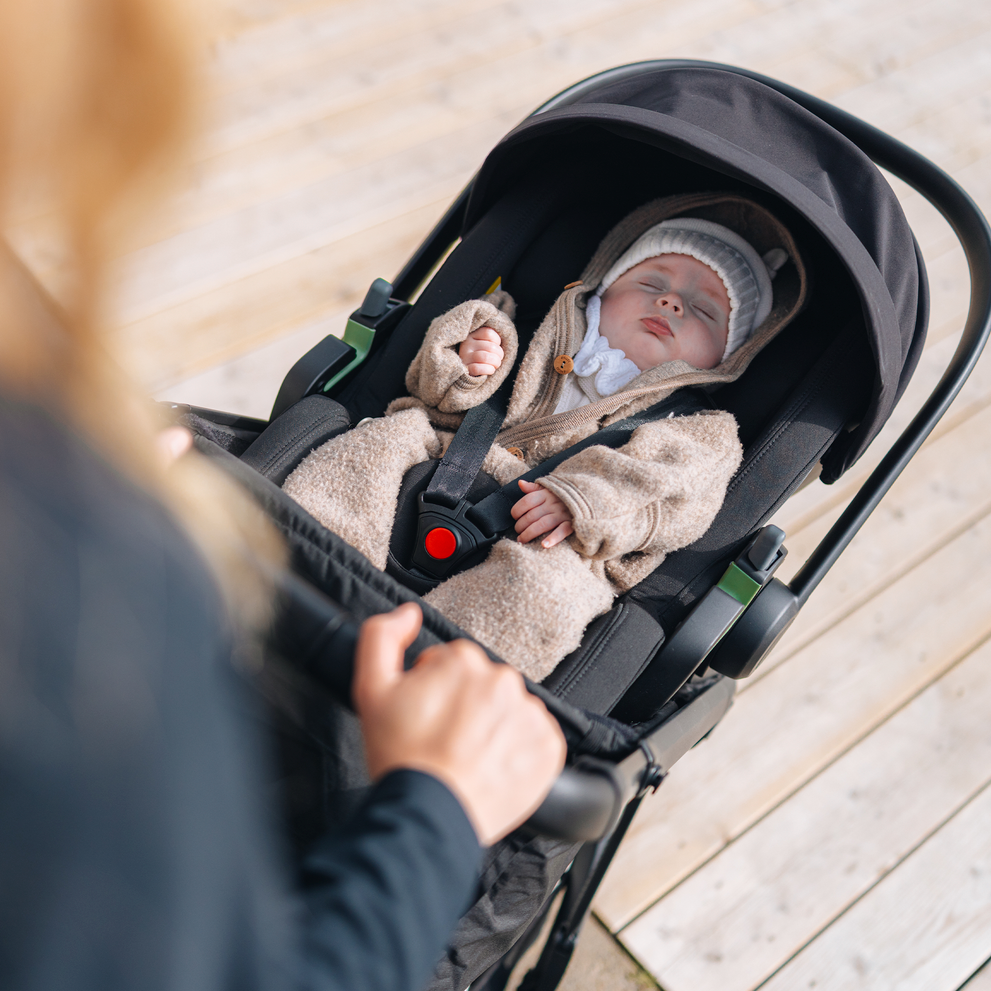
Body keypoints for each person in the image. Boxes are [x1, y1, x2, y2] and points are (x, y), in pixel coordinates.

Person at [0, 2, 565, 990]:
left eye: (692, 315)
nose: (666, 315)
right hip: (429, 439)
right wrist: (435, 814)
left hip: (552, 509)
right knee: (357, 452)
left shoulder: (692, 427)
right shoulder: (68, 597)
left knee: (546, 593)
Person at [284, 199, 808, 679]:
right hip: (445, 454)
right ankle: (305, 564)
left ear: (724, 359)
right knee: (377, 444)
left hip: (561, 539)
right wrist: (468, 363)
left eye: (705, 310)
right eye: (652, 284)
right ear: (603, 288)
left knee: (552, 595)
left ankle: (444, 676)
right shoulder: (526, 329)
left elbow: (677, 494)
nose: (672, 302)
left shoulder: (701, 429)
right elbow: (432, 391)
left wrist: (589, 501)